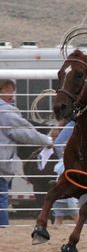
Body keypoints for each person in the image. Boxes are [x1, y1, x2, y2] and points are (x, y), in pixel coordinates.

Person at [0, 79, 53, 227]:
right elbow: (26, 133)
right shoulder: (5, 112)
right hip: (2, 164)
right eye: (8, 90)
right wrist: (48, 140)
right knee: (1, 198)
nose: (12, 94)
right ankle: (3, 231)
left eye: (13, 90)